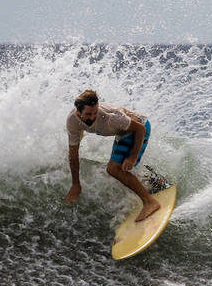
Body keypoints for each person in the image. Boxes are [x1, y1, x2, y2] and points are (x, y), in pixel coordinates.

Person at [65, 90, 161, 222]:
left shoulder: (110, 117)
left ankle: (150, 202)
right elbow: (73, 154)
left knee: (113, 169)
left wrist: (132, 157)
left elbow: (140, 129)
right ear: (78, 111)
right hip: (123, 132)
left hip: (139, 128)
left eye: (95, 112)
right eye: (88, 114)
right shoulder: (72, 121)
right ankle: (156, 181)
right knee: (120, 168)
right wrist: (76, 184)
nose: (92, 117)